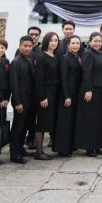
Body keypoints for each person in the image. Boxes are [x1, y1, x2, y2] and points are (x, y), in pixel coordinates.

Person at [74, 33, 102, 156]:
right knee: (89, 120)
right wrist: (88, 90)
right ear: (90, 42)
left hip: (100, 91)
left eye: (99, 41)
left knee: (98, 120)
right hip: (91, 91)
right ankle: (89, 147)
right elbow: (86, 73)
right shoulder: (88, 54)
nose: (98, 43)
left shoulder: (100, 53)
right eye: (95, 41)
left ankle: (97, 145)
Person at [54, 34, 83, 157]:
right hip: (67, 94)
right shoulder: (65, 58)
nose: (76, 45)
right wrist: (66, 96)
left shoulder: (78, 57)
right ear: (68, 45)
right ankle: (62, 148)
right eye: (73, 43)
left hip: (76, 93)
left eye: (78, 43)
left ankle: (70, 145)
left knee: (72, 120)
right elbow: (63, 79)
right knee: (64, 121)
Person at [33, 32, 59, 160]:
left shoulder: (54, 56)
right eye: (51, 40)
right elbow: (39, 79)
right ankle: (39, 152)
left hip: (54, 92)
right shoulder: (41, 57)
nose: (54, 43)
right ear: (46, 42)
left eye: (56, 40)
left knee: (48, 121)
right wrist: (42, 97)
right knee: (42, 123)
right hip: (45, 93)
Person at [9, 35, 35, 164]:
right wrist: (17, 102)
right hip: (20, 100)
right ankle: (14, 154)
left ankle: (20, 148)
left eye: (29, 46)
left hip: (29, 98)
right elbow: (14, 84)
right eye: (25, 46)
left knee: (25, 126)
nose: (27, 48)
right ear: (20, 46)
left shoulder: (28, 60)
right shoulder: (16, 62)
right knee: (18, 127)